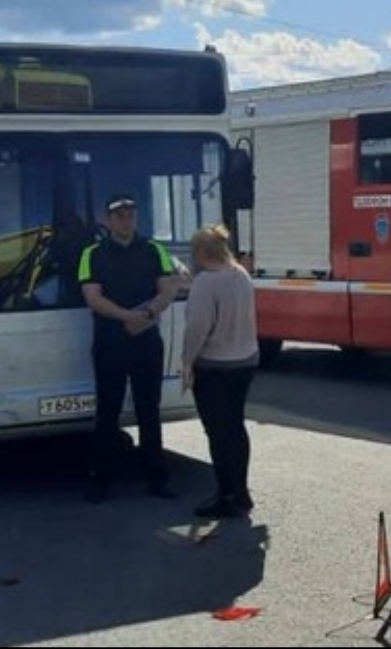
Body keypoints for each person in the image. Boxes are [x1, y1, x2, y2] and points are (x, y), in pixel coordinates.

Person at [78, 194, 183, 504]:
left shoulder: (154, 250)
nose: (126, 220)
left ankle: (156, 478)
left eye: (131, 214)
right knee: (107, 411)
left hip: (147, 341)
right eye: (120, 215)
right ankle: (100, 480)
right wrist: (127, 317)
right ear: (109, 220)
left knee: (149, 409)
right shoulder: (92, 253)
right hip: (110, 342)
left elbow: (168, 289)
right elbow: (92, 297)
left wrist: (147, 315)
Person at [181, 224, 261, 519]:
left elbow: (198, 328)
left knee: (217, 432)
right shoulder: (240, 274)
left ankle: (225, 495)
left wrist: (186, 362)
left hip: (215, 366)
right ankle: (242, 491)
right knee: (236, 428)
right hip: (245, 361)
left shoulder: (206, 282)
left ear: (202, 252)